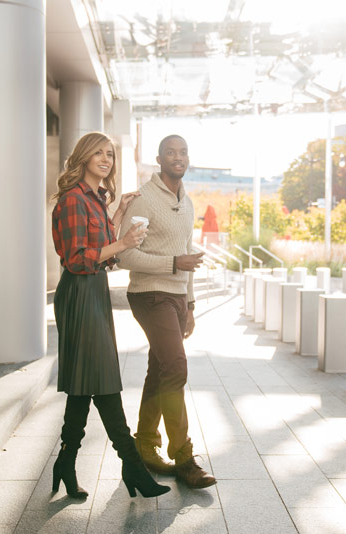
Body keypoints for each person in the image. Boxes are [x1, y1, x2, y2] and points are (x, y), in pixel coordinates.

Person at [50, 131, 169, 499]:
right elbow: (77, 258)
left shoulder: (94, 199)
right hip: (79, 292)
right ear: (83, 157)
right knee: (102, 380)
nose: (106, 159)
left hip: (93, 292)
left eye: (110, 154)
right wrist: (125, 242)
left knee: (86, 384)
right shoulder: (73, 199)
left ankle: (65, 462)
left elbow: (100, 249)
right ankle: (132, 465)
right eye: (98, 153)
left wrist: (117, 216)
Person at [117, 135, 216, 489]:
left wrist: (189, 303)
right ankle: (184, 457)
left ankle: (144, 445)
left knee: (160, 369)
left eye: (183, 152)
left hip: (175, 298)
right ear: (158, 159)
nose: (178, 157)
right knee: (176, 367)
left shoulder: (186, 201)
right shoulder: (143, 199)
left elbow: (186, 252)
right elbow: (126, 257)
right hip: (149, 294)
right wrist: (175, 264)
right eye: (171, 152)